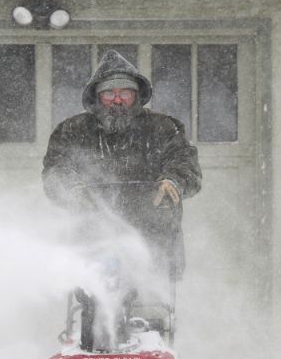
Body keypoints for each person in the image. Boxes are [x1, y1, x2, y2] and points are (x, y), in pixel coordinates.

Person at [43, 50, 202, 281]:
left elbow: (184, 161)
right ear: (97, 97)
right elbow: (56, 168)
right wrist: (71, 189)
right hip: (91, 237)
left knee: (153, 306)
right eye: (109, 93)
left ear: (137, 96)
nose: (117, 100)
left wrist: (173, 181)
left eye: (125, 92)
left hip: (154, 238)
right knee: (94, 298)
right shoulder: (72, 131)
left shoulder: (164, 128)